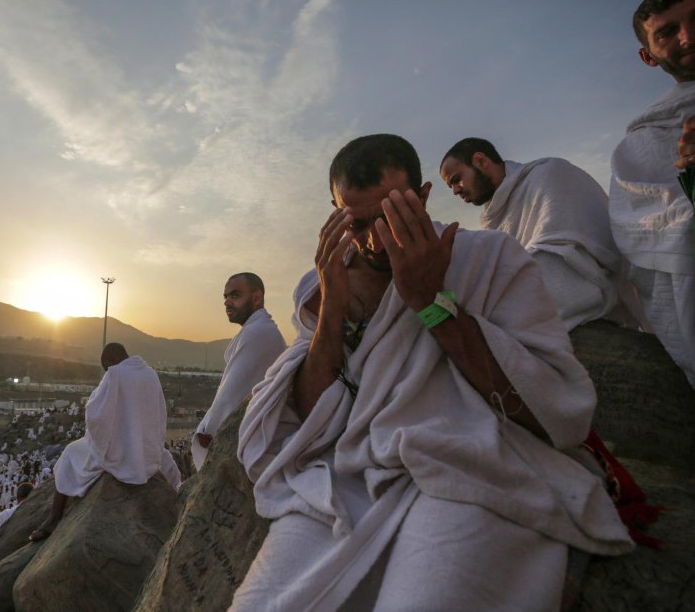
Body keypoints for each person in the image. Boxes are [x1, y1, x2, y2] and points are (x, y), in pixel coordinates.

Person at [232, 134, 632, 611]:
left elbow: (547, 406)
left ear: (421, 196)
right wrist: (332, 309)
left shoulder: (488, 259)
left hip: (468, 460)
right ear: (336, 211)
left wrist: (429, 300)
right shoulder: (321, 283)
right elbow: (314, 414)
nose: (374, 238)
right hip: (347, 473)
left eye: (390, 214)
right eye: (357, 222)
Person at [439, 138, 643, 330]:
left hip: (586, 284)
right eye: (451, 187)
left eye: (457, 180)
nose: (456, 191)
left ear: (481, 161)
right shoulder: (492, 217)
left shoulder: (550, 173)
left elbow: (559, 256)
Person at [610, 0, 695, 387]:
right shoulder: (646, 141)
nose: (688, 37)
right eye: (667, 32)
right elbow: (646, 233)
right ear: (648, 56)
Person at [28, 343, 181, 542]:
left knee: (69, 454)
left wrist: (104, 439)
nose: (106, 372)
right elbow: (160, 412)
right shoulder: (151, 374)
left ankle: (53, 519)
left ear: (110, 361)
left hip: (121, 453)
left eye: (105, 368)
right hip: (148, 452)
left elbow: (95, 416)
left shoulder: (115, 373)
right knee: (166, 459)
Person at [191, 273, 286, 471]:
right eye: (225, 297)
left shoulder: (258, 333)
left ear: (256, 298)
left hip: (253, 447)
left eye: (235, 296)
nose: (226, 302)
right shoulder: (260, 330)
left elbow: (230, 396)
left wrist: (207, 431)